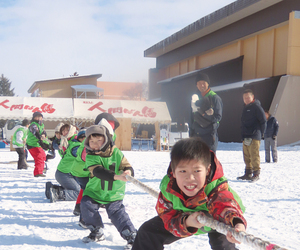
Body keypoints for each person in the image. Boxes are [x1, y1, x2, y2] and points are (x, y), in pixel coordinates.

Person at [132, 137, 246, 250]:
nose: (190, 178)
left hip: (218, 218)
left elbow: (226, 206)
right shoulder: (168, 188)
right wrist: (186, 222)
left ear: (207, 170)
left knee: (223, 246)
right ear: (174, 171)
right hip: (183, 217)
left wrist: (237, 223)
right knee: (147, 232)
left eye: (197, 171)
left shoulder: (216, 188)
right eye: (183, 171)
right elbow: (166, 215)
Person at [80, 125, 136, 248]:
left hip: (114, 193)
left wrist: (128, 172)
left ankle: (131, 236)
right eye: (92, 141)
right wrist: (116, 176)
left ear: (106, 140)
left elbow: (127, 166)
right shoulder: (90, 156)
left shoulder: (116, 152)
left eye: (98, 141)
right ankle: (96, 231)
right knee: (86, 204)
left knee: (117, 213)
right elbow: (98, 171)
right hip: (95, 191)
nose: (95, 144)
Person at [72, 112, 120, 219]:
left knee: (85, 189)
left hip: (80, 170)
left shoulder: (93, 135)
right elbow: (85, 156)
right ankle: (85, 217)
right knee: (91, 192)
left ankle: (78, 208)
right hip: (85, 170)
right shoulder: (94, 138)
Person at [46, 125, 84, 203]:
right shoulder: (75, 144)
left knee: (79, 187)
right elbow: (81, 156)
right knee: (79, 193)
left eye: (66, 130)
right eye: (62, 131)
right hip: (65, 172)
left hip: (66, 171)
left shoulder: (72, 140)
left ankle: (53, 188)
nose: (64, 133)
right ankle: (57, 193)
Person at [237, 89, 266, 182]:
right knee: (247, 155)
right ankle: (248, 173)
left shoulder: (256, 107)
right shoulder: (245, 108)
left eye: (248, 97)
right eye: (244, 97)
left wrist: (261, 133)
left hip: (254, 135)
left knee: (254, 154)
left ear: (252, 97)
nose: (246, 99)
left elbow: (263, 121)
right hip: (246, 135)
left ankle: (256, 173)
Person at [190, 73, 223, 153]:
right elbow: (192, 116)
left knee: (209, 160)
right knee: (197, 160)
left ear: (208, 83)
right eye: (199, 83)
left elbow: (218, 117)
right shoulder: (194, 98)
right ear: (196, 85)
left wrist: (205, 115)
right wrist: (191, 132)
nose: (201, 85)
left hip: (209, 135)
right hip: (197, 134)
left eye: (203, 83)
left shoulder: (214, 98)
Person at [26, 112, 50, 177]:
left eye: (40, 117)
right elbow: (36, 133)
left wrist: (44, 139)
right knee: (39, 158)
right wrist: (40, 138)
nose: (39, 118)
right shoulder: (33, 124)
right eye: (37, 117)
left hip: (37, 144)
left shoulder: (41, 125)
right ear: (34, 118)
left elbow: (44, 133)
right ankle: (38, 173)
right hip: (32, 144)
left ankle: (41, 169)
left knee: (43, 156)